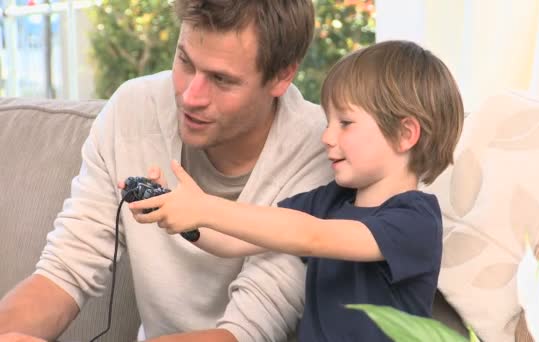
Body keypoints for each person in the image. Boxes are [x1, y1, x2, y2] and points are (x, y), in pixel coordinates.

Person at [0, 1, 334, 341]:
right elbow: (65, 270)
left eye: (221, 79)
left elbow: (248, 332)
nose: (191, 97)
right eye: (185, 61)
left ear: (282, 76)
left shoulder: (322, 152)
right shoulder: (133, 110)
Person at [128, 40, 465, 341]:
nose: (327, 137)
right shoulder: (330, 200)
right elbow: (235, 240)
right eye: (329, 122)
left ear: (406, 134)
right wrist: (178, 212)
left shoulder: (414, 221)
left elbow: (313, 237)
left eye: (345, 123)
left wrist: (206, 208)